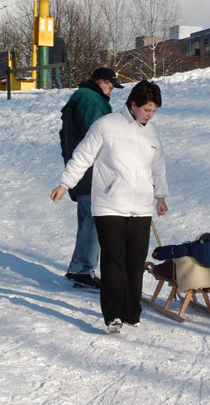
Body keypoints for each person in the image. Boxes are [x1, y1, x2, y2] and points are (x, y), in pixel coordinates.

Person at [51, 80, 169, 333]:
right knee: (114, 260)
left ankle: (131, 312)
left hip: (140, 207)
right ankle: (114, 315)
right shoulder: (106, 125)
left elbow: (157, 167)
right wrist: (65, 184)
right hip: (109, 205)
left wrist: (161, 196)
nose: (151, 115)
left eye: (154, 111)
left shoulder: (152, 133)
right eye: (147, 109)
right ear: (133, 104)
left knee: (135, 263)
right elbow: (83, 156)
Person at [60, 67, 124, 289]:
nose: (111, 91)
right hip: (91, 169)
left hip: (80, 166)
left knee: (88, 218)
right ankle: (81, 270)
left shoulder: (80, 97)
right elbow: (101, 135)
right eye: (109, 85)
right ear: (100, 81)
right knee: (94, 219)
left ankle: (80, 268)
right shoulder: (91, 100)